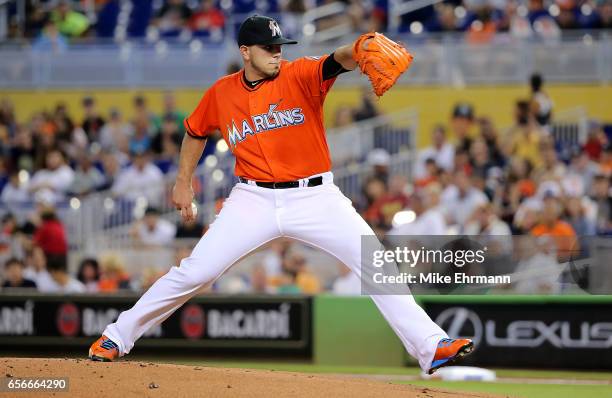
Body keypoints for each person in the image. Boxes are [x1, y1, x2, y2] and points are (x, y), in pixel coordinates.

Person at [89, 15, 472, 374]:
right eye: (269, 48)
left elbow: (334, 61)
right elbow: (195, 131)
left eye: (279, 46)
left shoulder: (300, 74)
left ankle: (431, 346)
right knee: (196, 270)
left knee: (375, 262)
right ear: (245, 52)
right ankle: (117, 337)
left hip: (316, 197)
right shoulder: (221, 93)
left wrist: (357, 50)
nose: (277, 53)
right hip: (252, 199)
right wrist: (183, 180)